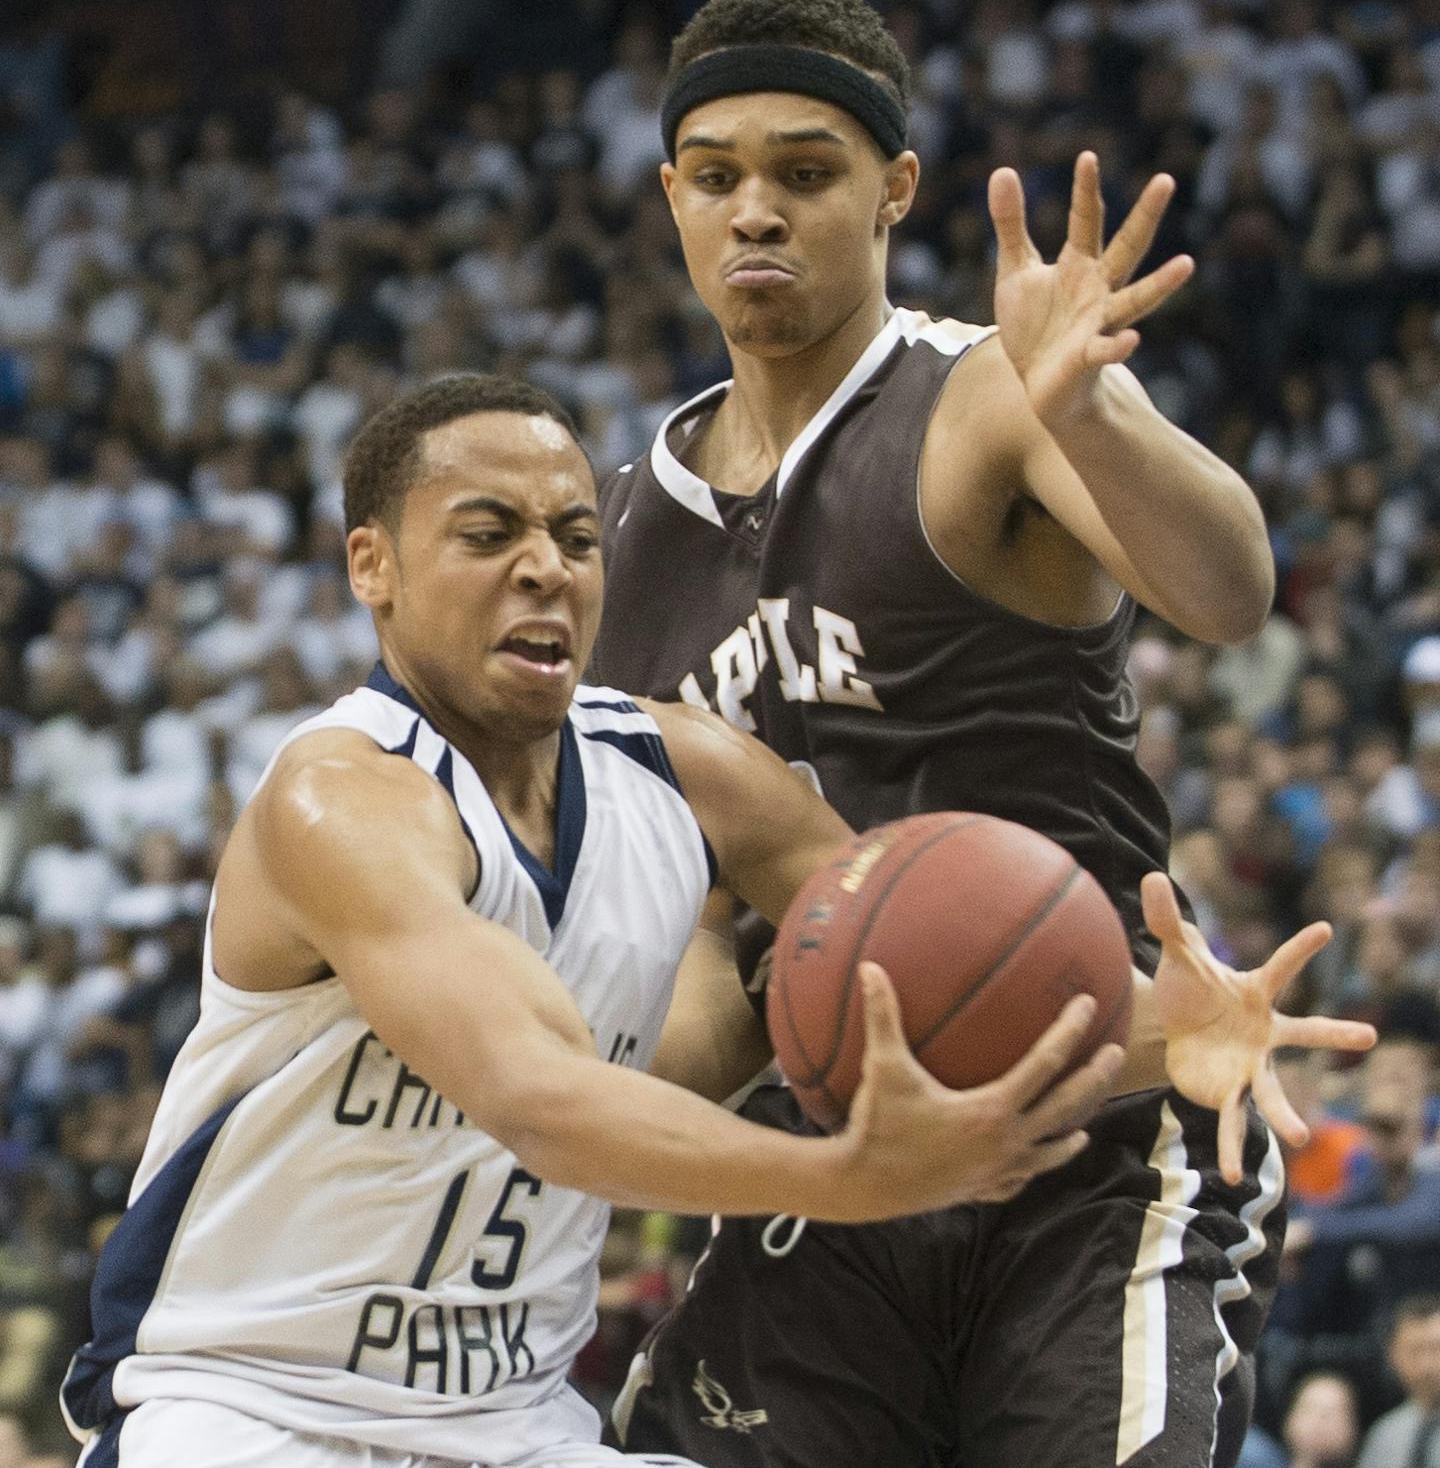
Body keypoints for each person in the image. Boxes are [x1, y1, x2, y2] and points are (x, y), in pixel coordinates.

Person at [55, 372, 1149, 1468]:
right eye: (488, 534)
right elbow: (540, 1098)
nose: (546, 566)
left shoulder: (695, 772)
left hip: (521, 1428)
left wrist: (1173, 1024)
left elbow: (948, 964)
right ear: (370, 566)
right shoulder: (339, 801)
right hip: (250, 1411)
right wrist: (855, 1176)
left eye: (576, 537)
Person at [590, 0, 1370, 1468]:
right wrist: (570, 1095)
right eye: (718, 174)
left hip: (1104, 1119)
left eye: (805, 174)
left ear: (891, 189)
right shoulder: (623, 536)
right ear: (670, 194)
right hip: (838, 1153)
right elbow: (698, 951)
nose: (756, 209)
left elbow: (1230, 584)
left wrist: (1091, 409)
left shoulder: (984, 399)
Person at [1354, 1296, 1440, 1468]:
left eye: (1436, 1349)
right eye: (1415, 1351)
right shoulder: (1384, 1435)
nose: (1427, 1365)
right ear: (1393, 1355)